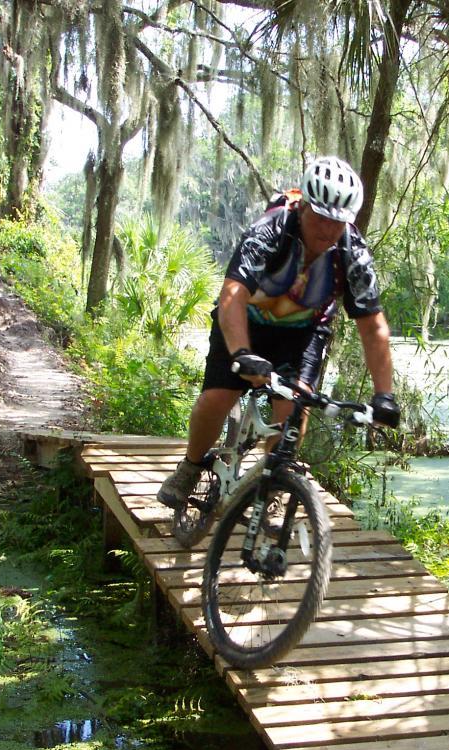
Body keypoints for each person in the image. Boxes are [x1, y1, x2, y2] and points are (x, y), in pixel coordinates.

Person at [156, 155, 400, 512]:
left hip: (302, 333)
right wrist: (241, 353)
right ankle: (191, 466)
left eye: (338, 222)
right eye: (320, 217)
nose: (327, 230)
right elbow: (232, 295)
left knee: (293, 411)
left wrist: (385, 395)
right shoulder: (270, 229)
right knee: (219, 397)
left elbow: (373, 326)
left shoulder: (352, 253)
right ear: (302, 207)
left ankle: (269, 489)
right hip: (245, 321)